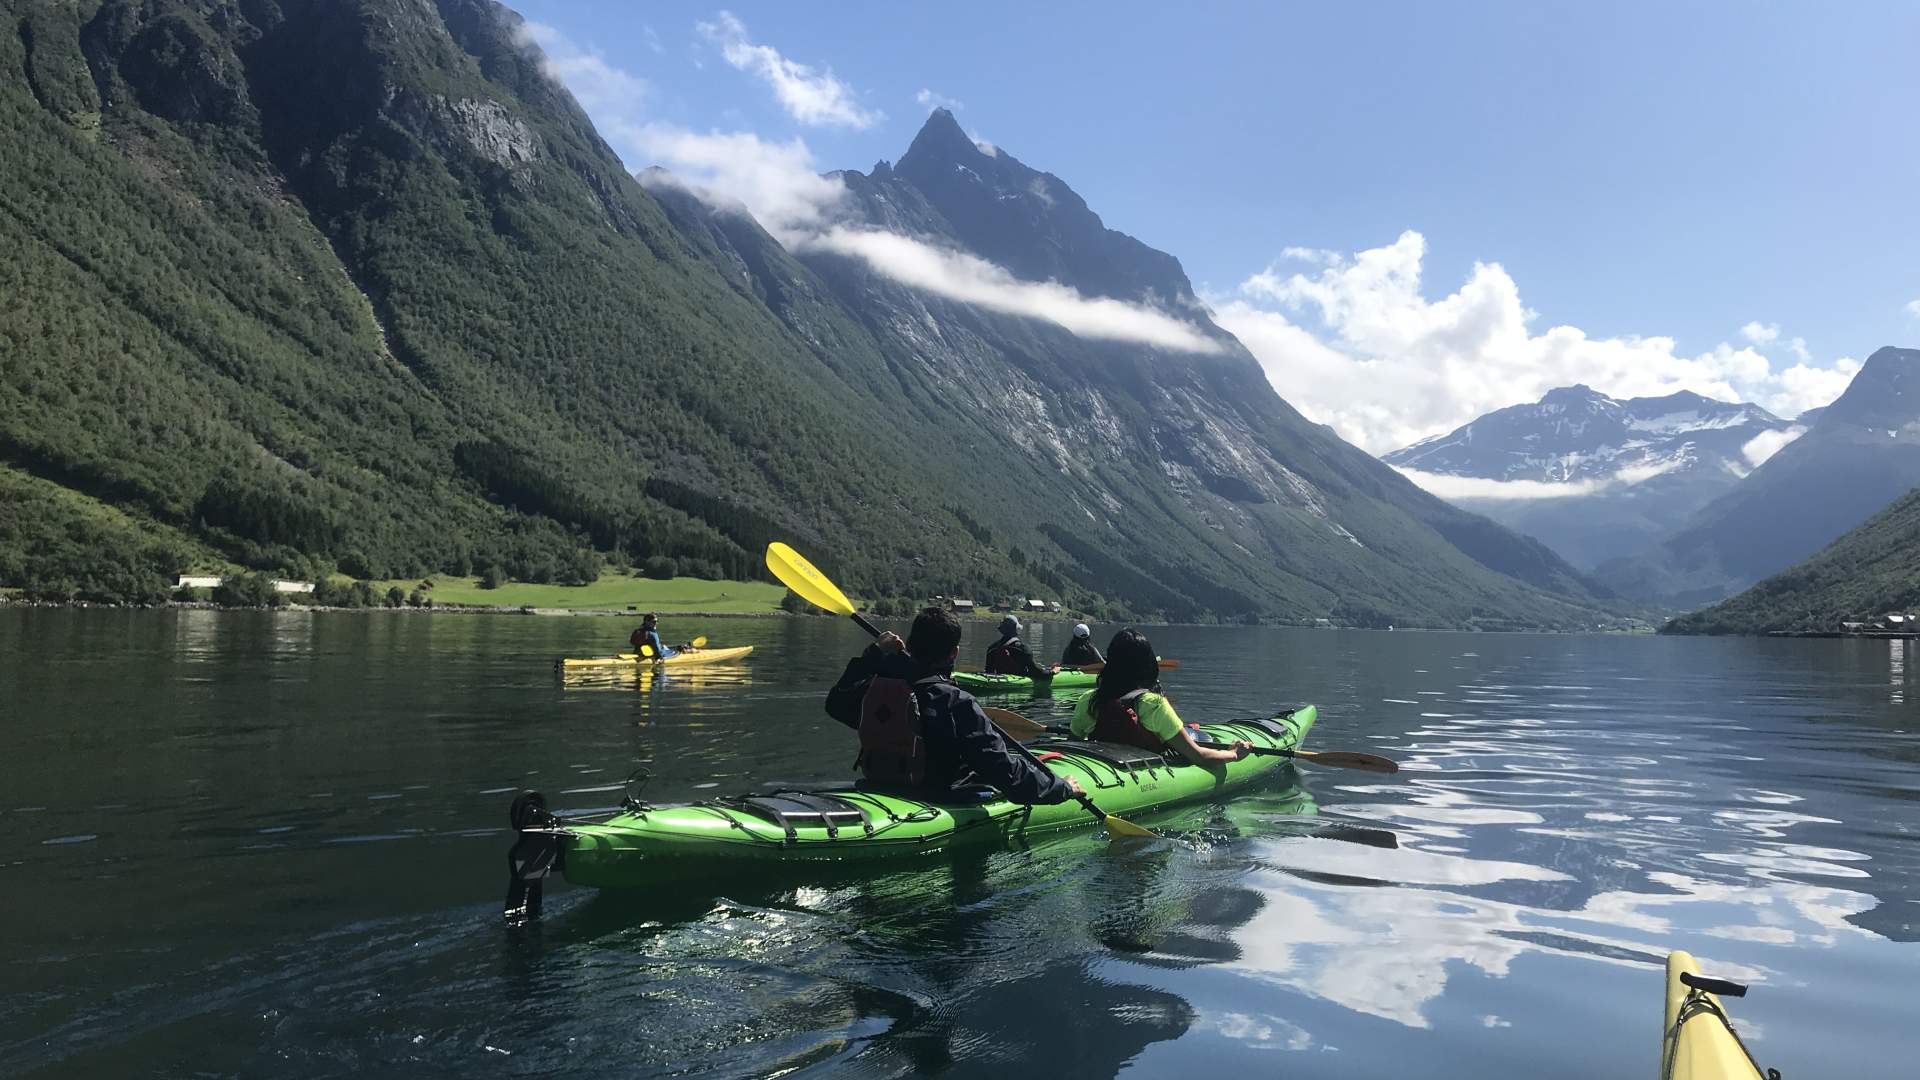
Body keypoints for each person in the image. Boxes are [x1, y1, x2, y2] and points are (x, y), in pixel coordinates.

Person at [827, 607, 1083, 804]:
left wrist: (873, 654)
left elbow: (836, 703)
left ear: (910, 644)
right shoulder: (956, 702)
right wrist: (1061, 788)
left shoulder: (876, 690)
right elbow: (1006, 775)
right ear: (954, 654)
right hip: (939, 797)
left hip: (878, 784)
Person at [1071, 628, 1252, 765]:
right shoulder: (1154, 705)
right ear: (1146, 665)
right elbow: (1198, 756)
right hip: (1142, 773)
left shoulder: (1088, 700)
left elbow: (1073, 744)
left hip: (1103, 765)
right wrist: (1234, 753)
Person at [983, 614, 1056, 678]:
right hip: (1017, 681)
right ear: (1016, 629)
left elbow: (989, 672)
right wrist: (1052, 671)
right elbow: (1035, 672)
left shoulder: (992, 648)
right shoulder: (1023, 648)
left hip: (998, 679)